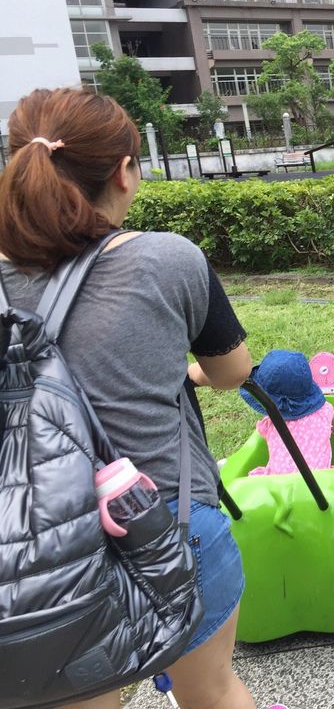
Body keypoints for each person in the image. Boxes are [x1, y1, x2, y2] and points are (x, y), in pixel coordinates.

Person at [0, 88, 260, 709]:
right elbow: (232, 371)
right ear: (124, 170)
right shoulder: (167, 260)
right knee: (213, 692)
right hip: (168, 527)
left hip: (36, 559)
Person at [240, 349, 334, 476]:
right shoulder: (324, 411)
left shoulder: (270, 422)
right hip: (320, 484)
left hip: (278, 484)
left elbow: (266, 436)